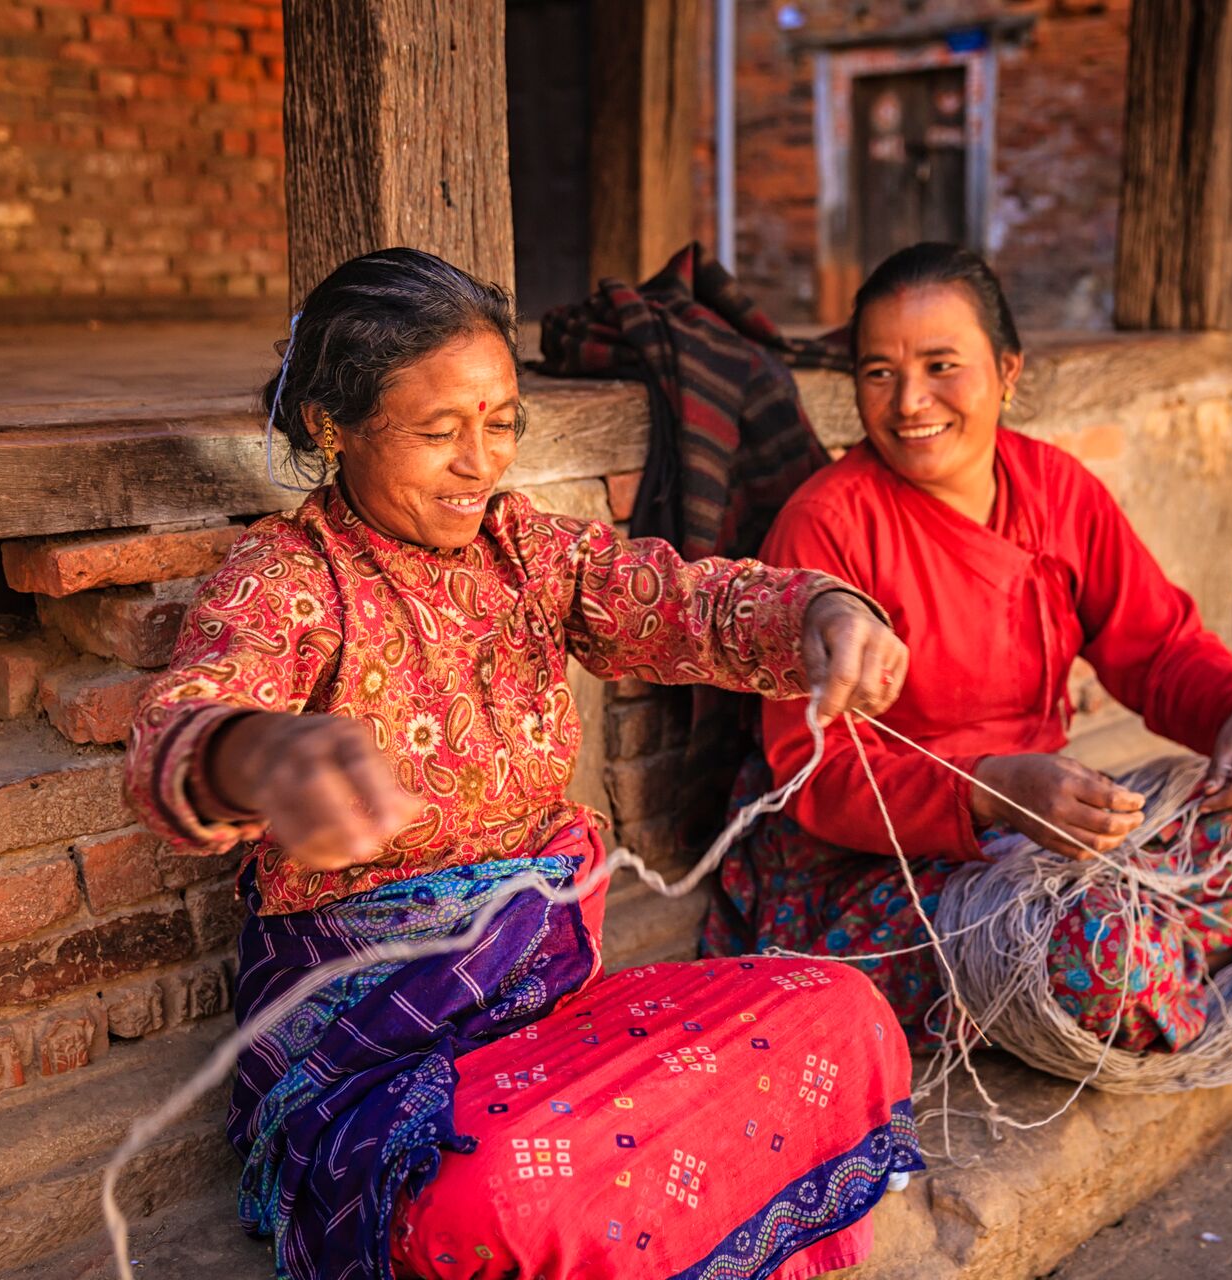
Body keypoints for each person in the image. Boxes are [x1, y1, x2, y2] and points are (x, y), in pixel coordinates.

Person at [124, 248, 924, 1280]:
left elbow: (681, 600)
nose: (480, 463)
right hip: (393, 1075)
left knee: (843, 1015)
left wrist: (822, 608)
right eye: (438, 431)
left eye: (501, 423)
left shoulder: (526, 553)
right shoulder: (285, 580)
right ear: (332, 425)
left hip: (551, 1026)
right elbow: (180, 721)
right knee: (499, 1190)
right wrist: (259, 750)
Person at [703, 242, 1232, 1056]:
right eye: (878, 373)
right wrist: (990, 791)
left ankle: (1139, 962)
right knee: (1096, 950)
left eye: (942, 365)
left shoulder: (1058, 490)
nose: (909, 402)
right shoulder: (827, 524)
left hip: (1045, 835)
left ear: (1008, 371)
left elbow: (1156, 646)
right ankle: (1142, 964)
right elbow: (815, 772)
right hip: (880, 870)